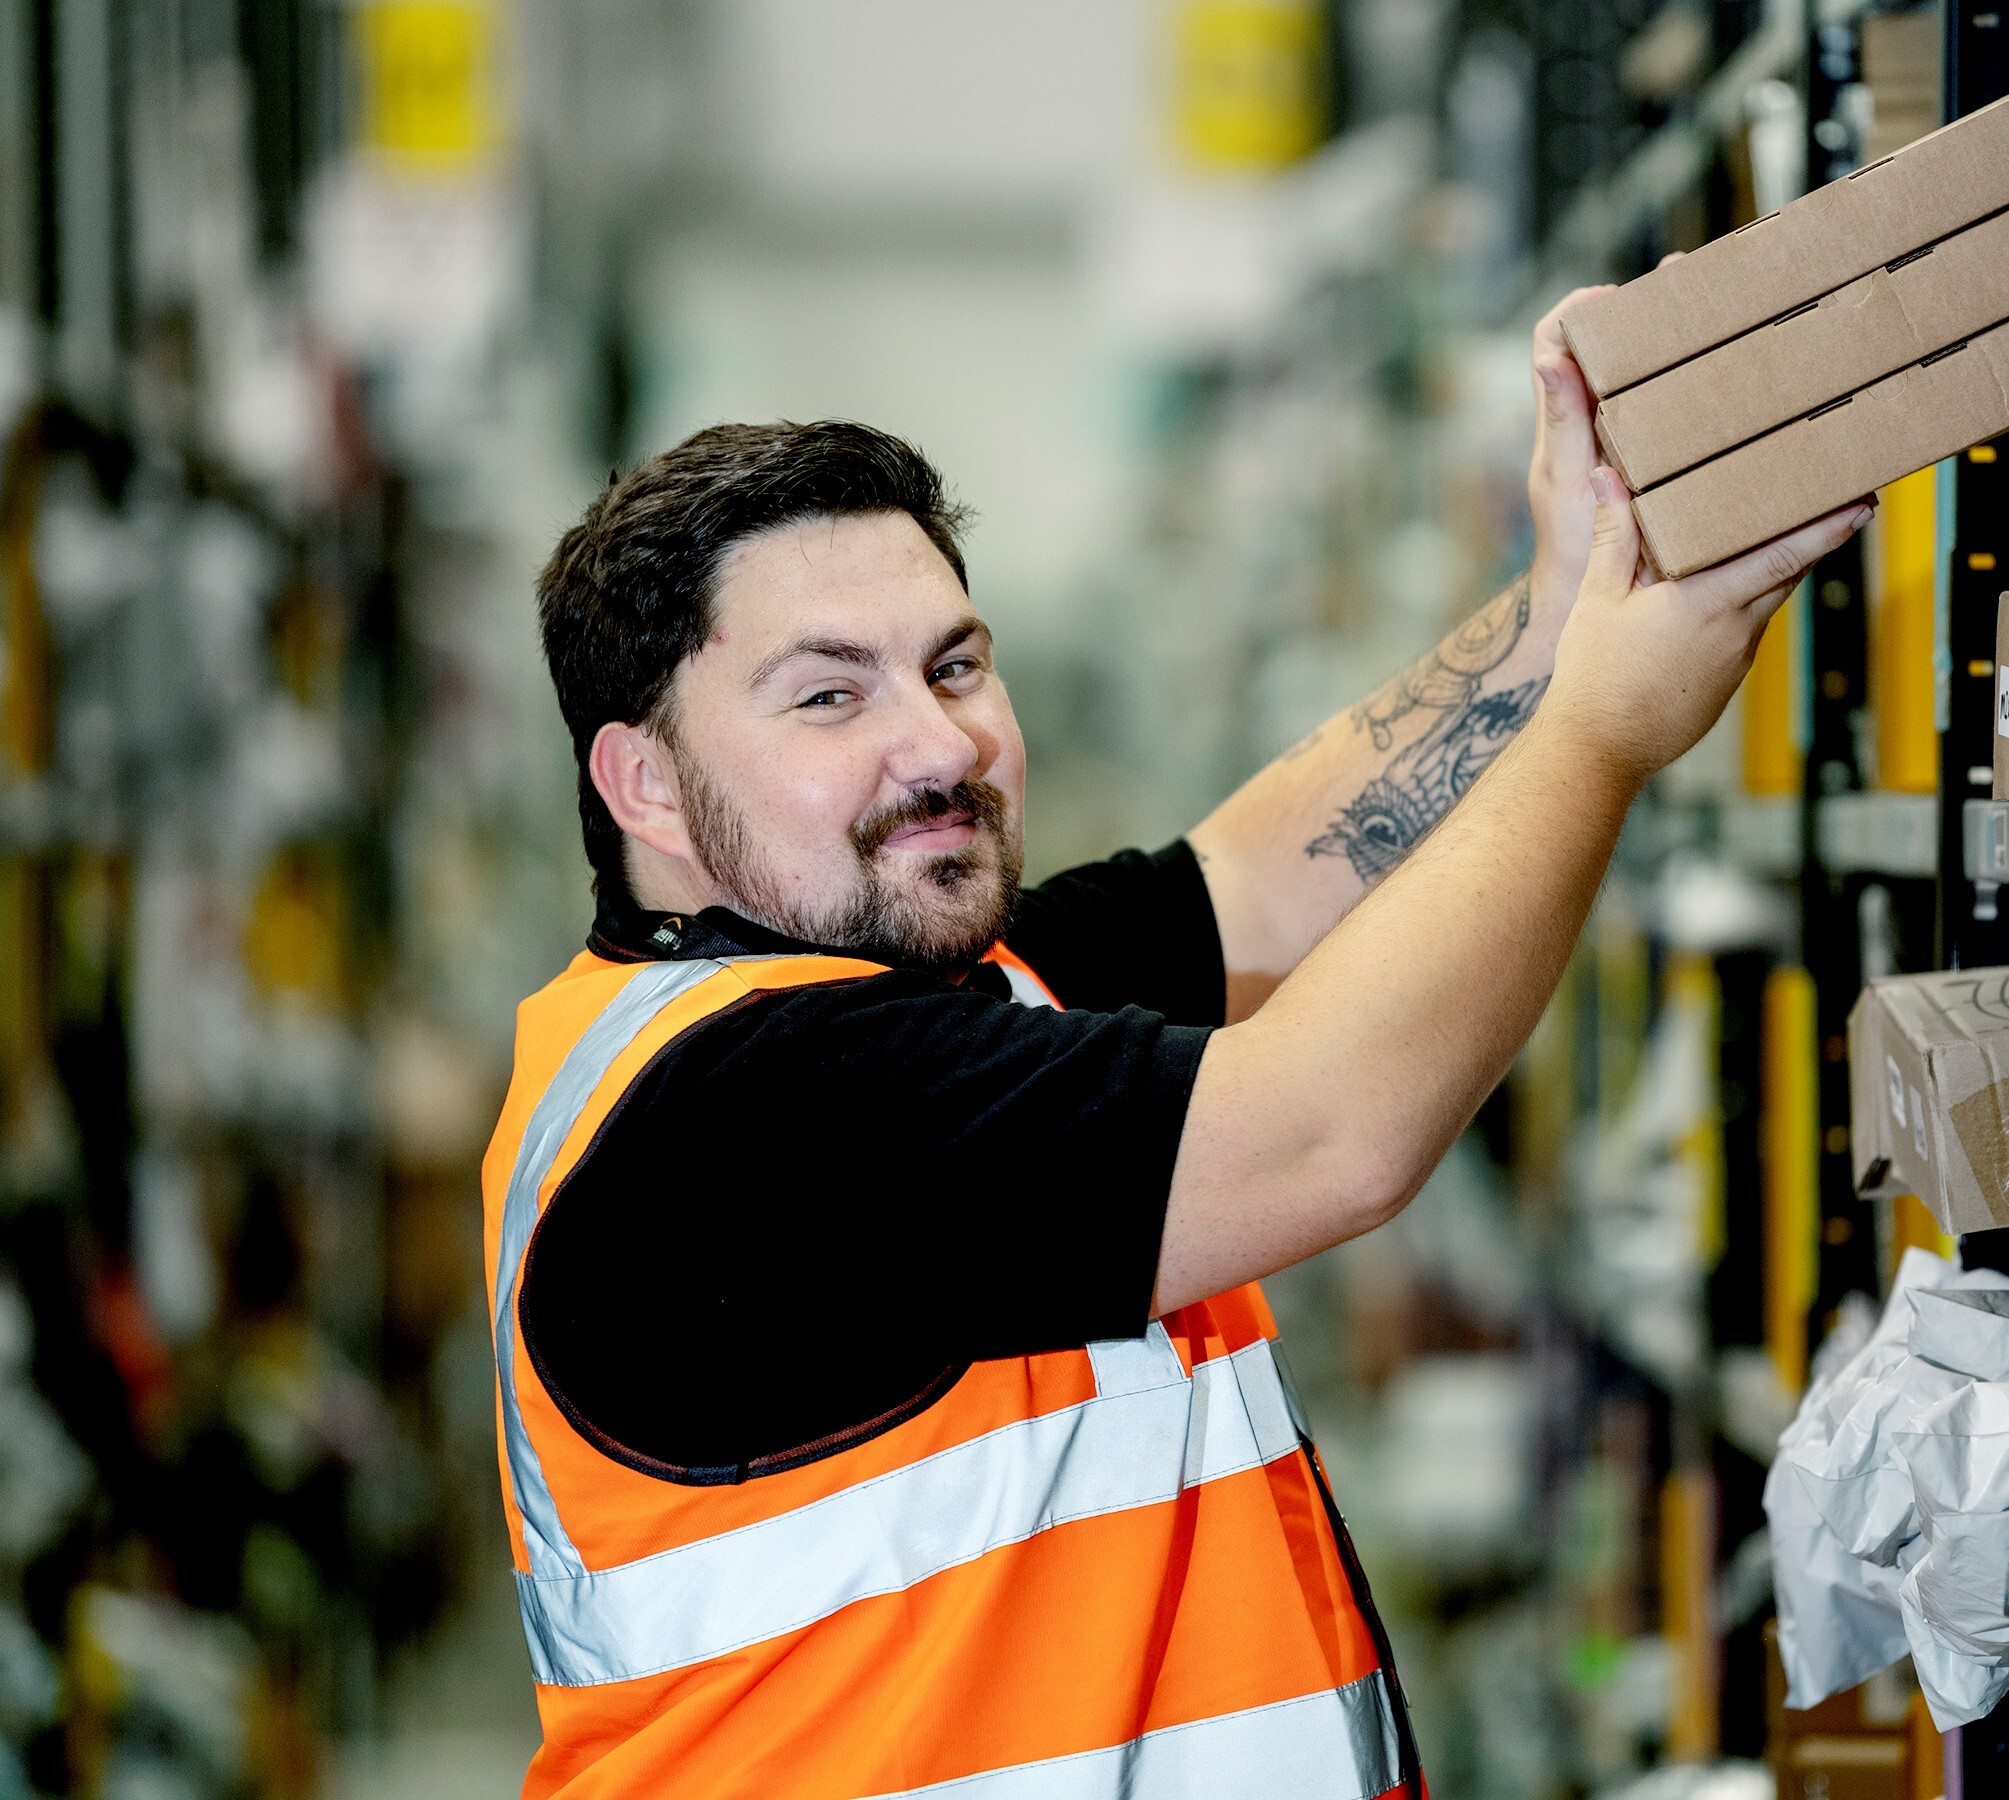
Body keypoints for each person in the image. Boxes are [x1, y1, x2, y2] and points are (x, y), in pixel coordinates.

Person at [483, 289, 1871, 1800]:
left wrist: (1550, 620)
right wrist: (1602, 729)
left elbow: (1262, 878)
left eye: (954, 666)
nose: (941, 745)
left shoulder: (939, 987)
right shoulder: (746, 1118)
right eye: (830, 695)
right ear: (648, 787)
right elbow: (1335, 1129)